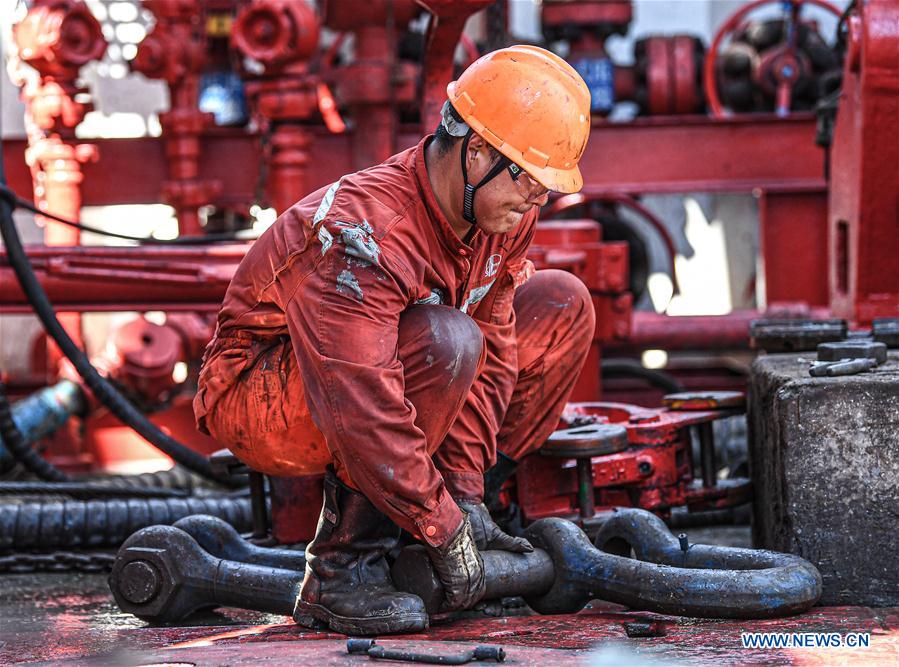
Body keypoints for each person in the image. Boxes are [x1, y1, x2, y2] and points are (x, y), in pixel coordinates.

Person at [194, 45, 595, 636]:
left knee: (561, 304)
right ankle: (340, 571)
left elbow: (497, 350)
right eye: (530, 183)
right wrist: (443, 527)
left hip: (376, 384)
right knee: (445, 338)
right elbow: (361, 401)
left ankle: (431, 525)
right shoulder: (366, 232)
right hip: (263, 396)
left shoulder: (499, 212)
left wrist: (465, 495)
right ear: (477, 151)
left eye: (546, 190)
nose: (537, 202)